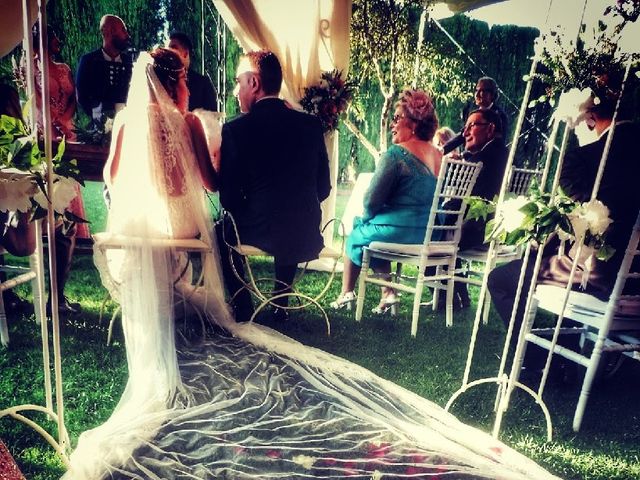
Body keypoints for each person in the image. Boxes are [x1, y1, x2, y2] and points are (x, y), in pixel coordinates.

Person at [487, 86, 640, 371]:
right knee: (539, 260)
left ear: (589, 117)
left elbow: (577, 219)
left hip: (601, 275)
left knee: (502, 278)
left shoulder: (584, 158)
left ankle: (539, 361)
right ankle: (568, 351)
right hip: (636, 283)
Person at [218, 50, 331, 321]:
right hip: (305, 230)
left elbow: (229, 199)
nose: (236, 90)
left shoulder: (236, 129)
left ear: (254, 83)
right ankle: (282, 300)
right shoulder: (311, 124)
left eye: (239, 82)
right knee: (285, 214)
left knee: (220, 229)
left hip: (263, 227)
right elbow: (324, 188)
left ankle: (242, 303)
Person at [330, 89, 442, 314]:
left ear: (413, 124)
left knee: (359, 230)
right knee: (372, 229)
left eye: (397, 118)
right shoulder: (439, 155)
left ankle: (347, 294)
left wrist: (368, 216)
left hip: (399, 232)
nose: (392, 124)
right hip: (430, 233)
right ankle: (387, 294)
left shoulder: (396, 155)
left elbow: (371, 201)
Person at [76, 14, 134, 122]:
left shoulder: (131, 63)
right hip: (99, 130)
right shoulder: (88, 61)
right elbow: (82, 97)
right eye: (123, 30)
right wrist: (98, 118)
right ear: (110, 32)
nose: (127, 35)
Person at [443, 76, 509, 155]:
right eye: (476, 90)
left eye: (482, 91)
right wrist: (442, 150)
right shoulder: (473, 112)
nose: (477, 94)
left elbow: (497, 145)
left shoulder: (500, 116)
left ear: (492, 94)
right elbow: (462, 136)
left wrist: (464, 156)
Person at [167, 31, 217, 112]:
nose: (169, 52)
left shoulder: (203, 84)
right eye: (168, 49)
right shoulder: (164, 80)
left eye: (173, 48)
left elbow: (212, 119)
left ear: (185, 54)